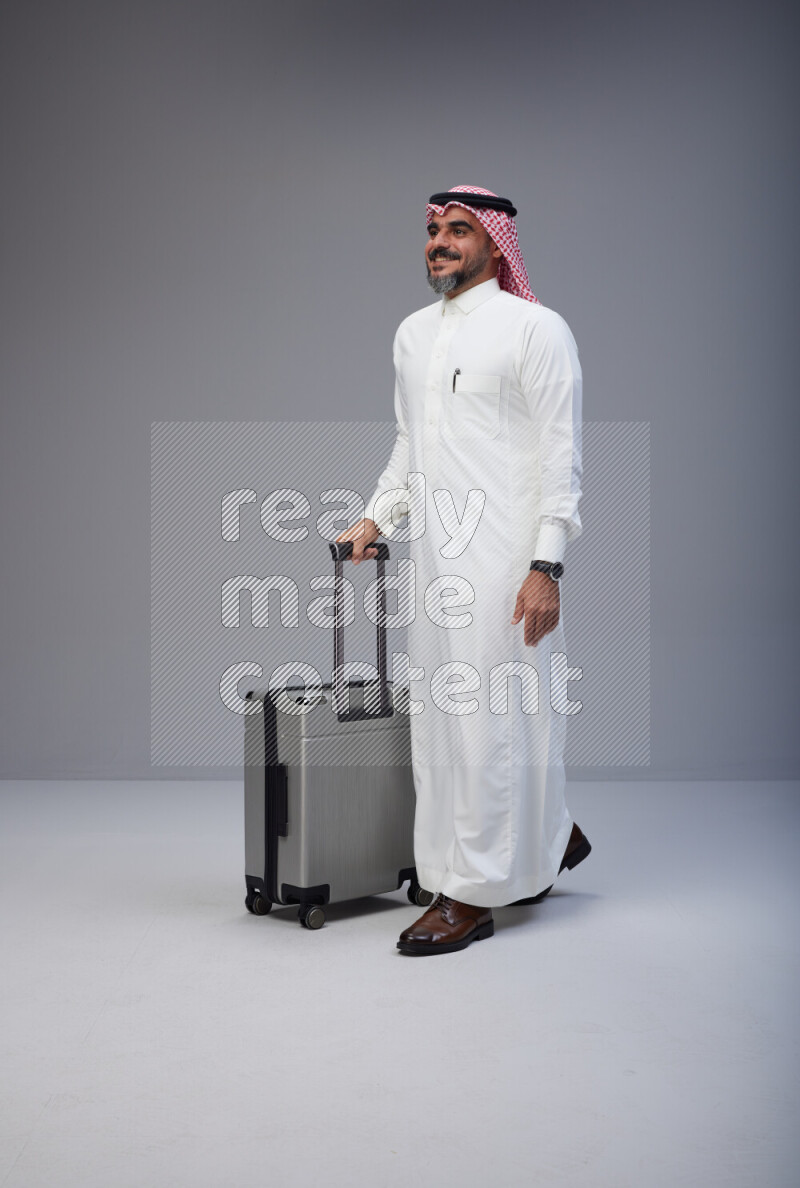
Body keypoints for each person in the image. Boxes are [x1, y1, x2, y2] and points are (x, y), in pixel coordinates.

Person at [336, 185, 590, 956]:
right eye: (432, 230)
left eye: (457, 231)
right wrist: (380, 514)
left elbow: (561, 456)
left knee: (489, 721)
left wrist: (547, 563)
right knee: (444, 721)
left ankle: (469, 895)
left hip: (507, 559)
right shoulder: (413, 335)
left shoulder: (535, 330)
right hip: (437, 561)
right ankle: (542, 841)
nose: (439, 243)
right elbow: (411, 446)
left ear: (494, 243)